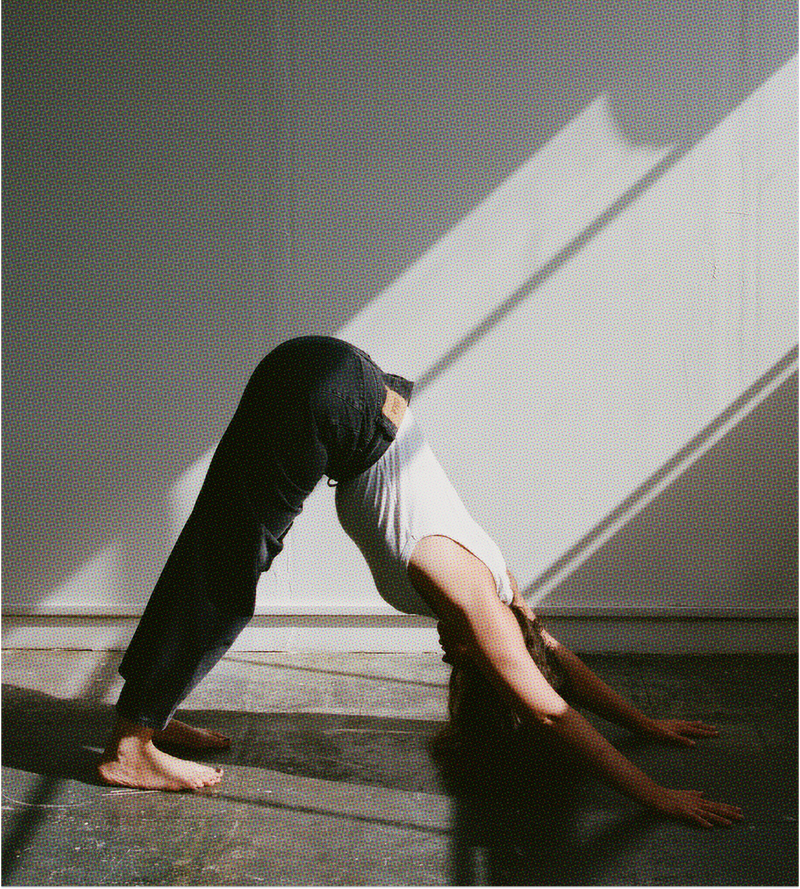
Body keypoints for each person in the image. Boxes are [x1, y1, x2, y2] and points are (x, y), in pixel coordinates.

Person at [99, 336, 743, 829]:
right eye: (464, 661)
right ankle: (132, 748)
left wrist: (645, 723)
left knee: (218, 546)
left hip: (337, 372)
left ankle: (153, 713)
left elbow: (555, 659)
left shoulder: (503, 585)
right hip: (332, 405)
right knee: (225, 570)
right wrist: (657, 796)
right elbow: (551, 708)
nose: (447, 655)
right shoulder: (477, 604)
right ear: (489, 654)